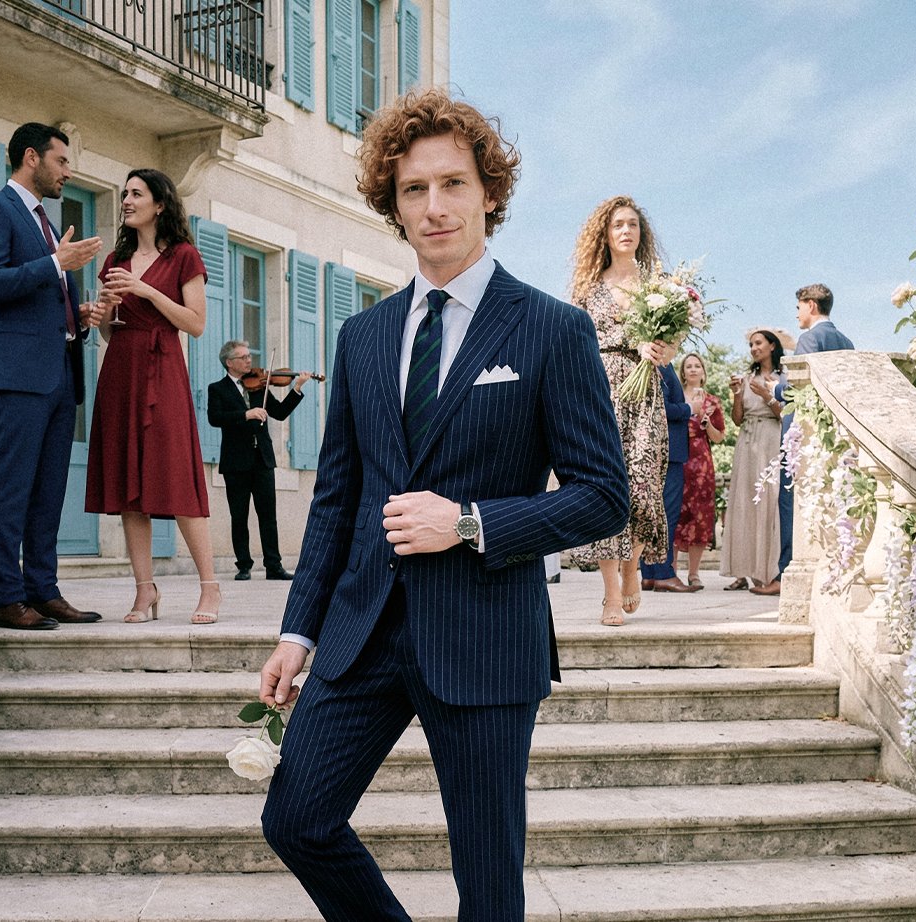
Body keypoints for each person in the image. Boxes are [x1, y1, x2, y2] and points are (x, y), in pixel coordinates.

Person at [257, 87, 627, 922]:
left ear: (489, 192)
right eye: (414, 190)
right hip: (364, 635)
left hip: (486, 638)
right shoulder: (364, 336)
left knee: (488, 885)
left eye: (453, 184)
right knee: (298, 820)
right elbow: (338, 499)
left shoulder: (551, 328)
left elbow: (604, 497)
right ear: (394, 205)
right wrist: (297, 629)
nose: (435, 207)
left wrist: (468, 523)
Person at [0, 122, 107, 631]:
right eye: (62, 162)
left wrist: (79, 318)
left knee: (49, 491)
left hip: (59, 372)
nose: (68, 172)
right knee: (12, 488)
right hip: (18, 375)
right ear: (32, 157)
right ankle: (8, 598)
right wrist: (56, 263)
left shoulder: (49, 222)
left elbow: (44, 296)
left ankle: (43, 591)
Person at [85, 168, 224, 624]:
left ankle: (209, 588)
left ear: (159, 204)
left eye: (136, 193)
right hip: (121, 370)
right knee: (128, 487)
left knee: (177, 479)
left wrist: (145, 290)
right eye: (124, 193)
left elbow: (196, 323)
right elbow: (108, 332)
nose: (126, 200)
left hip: (163, 370)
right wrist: (100, 314)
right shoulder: (114, 259)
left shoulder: (184, 256)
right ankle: (144, 591)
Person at [563, 195, 678, 626]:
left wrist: (661, 349)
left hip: (646, 392)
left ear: (641, 233)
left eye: (632, 224)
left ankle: (633, 567)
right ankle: (611, 592)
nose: (626, 230)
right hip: (600, 389)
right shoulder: (588, 290)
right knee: (607, 486)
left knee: (644, 487)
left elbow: (671, 347)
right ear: (605, 235)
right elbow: (573, 345)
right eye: (617, 225)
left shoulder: (659, 287)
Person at [773, 283, 855, 587]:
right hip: (834, 437)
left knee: (790, 501)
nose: (796, 315)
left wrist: (774, 389)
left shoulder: (809, 339)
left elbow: (799, 388)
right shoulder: (846, 341)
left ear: (810, 305)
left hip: (803, 436)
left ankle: (786, 571)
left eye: (798, 308)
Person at [207, 340, 309, 581]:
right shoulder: (217, 389)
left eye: (249, 356)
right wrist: (246, 414)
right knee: (239, 515)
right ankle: (244, 565)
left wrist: (297, 388)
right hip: (235, 462)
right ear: (230, 362)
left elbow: (281, 412)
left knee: (268, 515)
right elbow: (215, 418)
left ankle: (274, 566)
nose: (249, 360)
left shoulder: (259, 387)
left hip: (262, 458)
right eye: (243, 357)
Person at [722, 329, 790, 593]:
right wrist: (739, 394)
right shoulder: (747, 378)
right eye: (751, 344)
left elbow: (786, 414)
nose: (753, 348)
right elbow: (737, 419)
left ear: (772, 346)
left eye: (758, 343)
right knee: (744, 504)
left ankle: (769, 571)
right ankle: (744, 569)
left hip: (772, 441)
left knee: (769, 503)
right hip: (747, 443)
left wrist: (766, 394)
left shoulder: (783, 378)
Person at [640, 362, 698, 593]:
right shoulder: (660, 366)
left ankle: (649, 574)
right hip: (668, 451)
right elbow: (660, 407)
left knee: (654, 512)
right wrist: (689, 408)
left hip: (659, 451)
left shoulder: (661, 365)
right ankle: (664, 573)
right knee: (666, 513)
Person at [673, 353, 727, 587]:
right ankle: (671, 570)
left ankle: (694, 573)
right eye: (688, 366)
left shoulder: (713, 402)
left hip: (701, 462)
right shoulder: (675, 397)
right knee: (674, 513)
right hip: (677, 458)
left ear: (703, 372)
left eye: (697, 366)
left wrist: (708, 424)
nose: (693, 370)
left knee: (700, 515)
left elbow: (719, 437)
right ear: (683, 372)